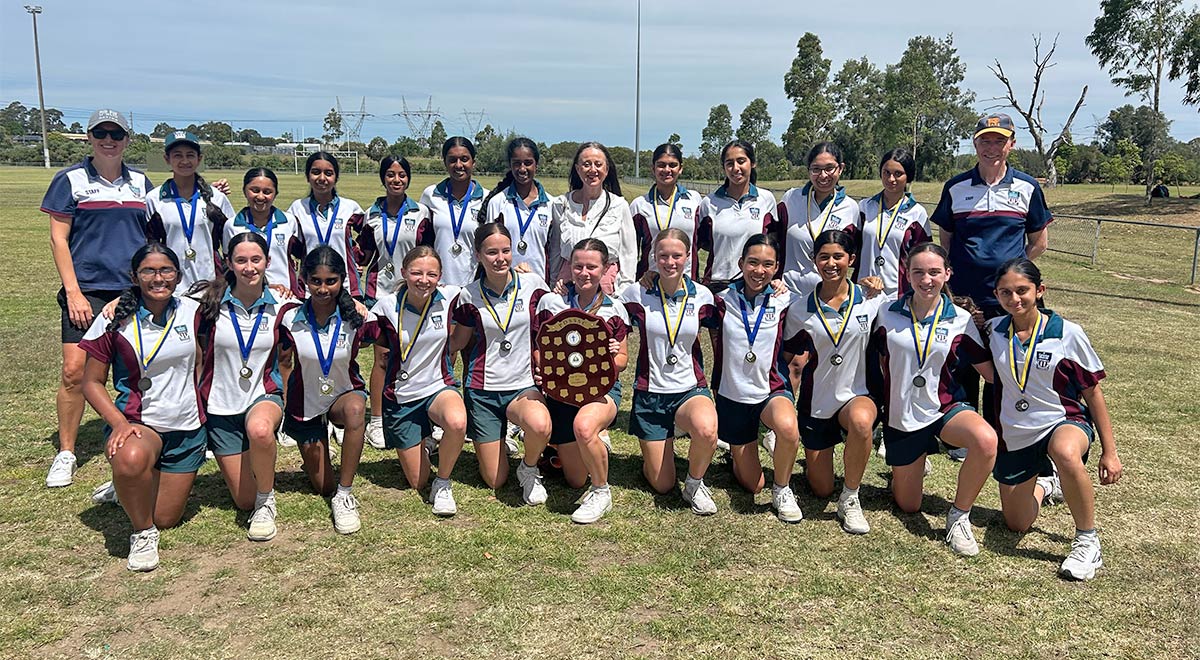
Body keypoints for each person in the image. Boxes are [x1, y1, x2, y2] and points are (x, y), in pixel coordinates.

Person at [987, 258, 1122, 580]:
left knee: (1064, 451)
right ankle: (1048, 485)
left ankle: (1087, 541)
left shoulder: (1067, 333)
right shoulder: (992, 330)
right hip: (1016, 431)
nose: (1014, 299)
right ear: (996, 294)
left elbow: (1093, 393)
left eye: (1022, 291)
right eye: (1006, 293)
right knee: (1016, 523)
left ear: (1040, 290)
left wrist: (1110, 451)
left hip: (1063, 421)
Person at [42, 109, 155, 490]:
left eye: (116, 133)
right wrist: (73, 291)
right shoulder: (70, 180)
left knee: (129, 375)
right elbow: (59, 238)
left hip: (130, 290)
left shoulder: (140, 182)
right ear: (90, 137)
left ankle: (124, 458)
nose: (109, 139)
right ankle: (67, 452)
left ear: (126, 139)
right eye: (101, 133)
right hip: (87, 290)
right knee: (75, 372)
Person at [78, 243, 206, 571]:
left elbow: (238, 288)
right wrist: (119, 424)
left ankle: (126, 488)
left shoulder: (194, 311)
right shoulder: (114, 318)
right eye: (148, 271)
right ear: (134, 276)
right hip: (140, 425)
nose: (158, 278)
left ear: (178, 276)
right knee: (131, 460)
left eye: (166, 270)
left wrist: (274, 286)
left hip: (187, 427)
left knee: (165, 516)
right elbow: (91, 382)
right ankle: (142, 532)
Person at [871, 242, 998, 557]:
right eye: (918, 272)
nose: (926, 279)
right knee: (908, 505)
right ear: (907, 273)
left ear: (947, 274)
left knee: (985, 440)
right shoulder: (885, 311)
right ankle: (909, 467)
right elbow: (867, 359)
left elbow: (991, 373)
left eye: (934, 272)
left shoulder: (961, 319)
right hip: (901, 418)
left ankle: (959, 515)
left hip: (944, 408)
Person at [931, 113, 1051, 442]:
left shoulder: (1027, 186)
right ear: (975, 143)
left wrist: (1012, 273)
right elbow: (947, 238)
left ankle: (1002, 431)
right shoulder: (956, 187)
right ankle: (964, 435)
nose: (992, 147)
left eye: (1000, 140)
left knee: (1006, 365)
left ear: (1011, 144)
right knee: (964, 361)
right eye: (986, 139)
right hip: (964, 296)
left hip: (1010, 299)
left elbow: (1039, 241)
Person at [782, 230, 888, 533]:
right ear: (815, 261)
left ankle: (851, 498)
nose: (831, 263)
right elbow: (787, 357)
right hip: (817, 403)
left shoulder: (871, 300)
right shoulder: (801, 308)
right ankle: (823, 463)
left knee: (861, 422)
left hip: (858, 394)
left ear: (851, 260)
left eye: (838, 256)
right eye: (824, 257)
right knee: (820, 489)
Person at [188, 233, 289, 540]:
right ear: (229, 263)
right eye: (241, 260)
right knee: (243, 499)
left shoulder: (284, 304)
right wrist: (118, 302)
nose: (249, 267)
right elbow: (156, 299)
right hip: (220, 406)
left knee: (260, 430)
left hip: (264, 395)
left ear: (268, 262)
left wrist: (355, 304)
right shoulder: (205, 302)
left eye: (256, 260)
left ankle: (266, 502)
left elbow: (326, 305)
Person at [618, 228, 722, 515]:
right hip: (651, 394)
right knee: (662, 485)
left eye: (677, 255)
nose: (670, 262)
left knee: (707, 429)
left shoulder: (702, 296)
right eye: (663, 255)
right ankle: (658, 450)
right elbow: (602, 310)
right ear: (653, 257)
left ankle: (694, 483)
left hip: (689, 390)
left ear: (688, 257)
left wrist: (777, 286)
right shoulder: (635, 293)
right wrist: (564, 288)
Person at [449, 224, 553, 503]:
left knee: (541, 425)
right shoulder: (468, 295)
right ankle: (498, 441)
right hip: (482, 390)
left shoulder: (533, 286)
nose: (500, 258)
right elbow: (456, 342)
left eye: (506, 251)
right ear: (478, 255)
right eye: (491, 252)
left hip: (522, 386)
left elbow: (560, 323)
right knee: (495, 479)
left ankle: (529, 469)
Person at [276, 246, 375, 534]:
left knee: (357, 410)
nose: (322, 288)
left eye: (331, 281)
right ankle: (327, 470)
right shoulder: (289, 317)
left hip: (343, 396)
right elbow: (283, 362)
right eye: (315, 281)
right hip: (304, 404)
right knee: (322, 486)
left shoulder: (356, 318)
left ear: (342, 279)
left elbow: (390, 331)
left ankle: (345, 494)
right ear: (304, 279)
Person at [533, 238, 630, 523]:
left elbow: (623, 361)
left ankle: (602, 491)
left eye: (591, 266)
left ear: (605, 269)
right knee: (575, 480)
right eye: (578, 266)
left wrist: (612, 356)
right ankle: (589, 443)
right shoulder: (552, 302)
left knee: (584, 426)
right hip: (562, 393)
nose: (584, 272)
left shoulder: (615, 309)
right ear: (570, 268)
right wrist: (545, 371)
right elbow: (539, 349)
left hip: (602, 389)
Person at [711, 234, 803, 523]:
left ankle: (783, 488)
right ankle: (737, 455)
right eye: (752, 263)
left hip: (770, 390)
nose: (759, 271)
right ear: (741, 263)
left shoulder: (785, 300)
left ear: (776, 269)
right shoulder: (720, 299)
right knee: (752, 484)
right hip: (732, 395)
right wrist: (650, 276)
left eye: (767, 265)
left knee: (788, 429)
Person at [370, 247, 469, 516]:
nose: (423, 280)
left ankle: (444, 483)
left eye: (431, 274)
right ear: (404, 273)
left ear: (440, 276)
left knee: (458, 422)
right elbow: (363, 334)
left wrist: (521, 270)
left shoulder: (450, 297)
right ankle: (424, 441)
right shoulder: (386, 306)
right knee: (416, 481)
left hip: (438, 387)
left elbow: (489, 286)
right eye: (416, 273)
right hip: (401, 398)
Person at [359, 156, 433, 450]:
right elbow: (362, 255)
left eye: (402, 175)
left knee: (415, 355)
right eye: (390, 175)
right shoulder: (370, 215)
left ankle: (423, 419)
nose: (396, 180)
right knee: (382, 357)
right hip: (380, 295)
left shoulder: (420, 212)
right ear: (383, 178)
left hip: (414, 293)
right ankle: (376, 420)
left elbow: (427, 251)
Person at [145, 131, 235, 289]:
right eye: (178, 155)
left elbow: (232, 243)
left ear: (199, 159)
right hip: (169, 286)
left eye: (190, 155)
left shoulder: (217, 198)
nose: (184, 160)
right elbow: (149, 244)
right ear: (167, 159)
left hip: (210, 285)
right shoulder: (154, 199)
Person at [548, 142, 637, 293]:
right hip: (567, 283)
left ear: (606, 169)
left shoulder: (619, 205)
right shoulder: (561, 204)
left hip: (606, 285)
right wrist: (554, 281)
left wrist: (624, 290)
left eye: (598, 164)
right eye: (586, 164)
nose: (593, 170)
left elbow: (629, 253)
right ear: (577, 169)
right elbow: (556, 248)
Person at [776, 141, 860, 296]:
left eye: (829, 168)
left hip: (829, 296)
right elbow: (775, 242)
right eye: (816, 169)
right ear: (808, 170)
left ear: (840, 168)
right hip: (788, 293)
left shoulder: (851, 207)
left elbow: (852, 256)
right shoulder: (791, 198)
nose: (823, 175)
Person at [697, 140, 778, 293]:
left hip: (755, 284)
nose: (735, 168)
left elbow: (775, 243)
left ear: (752, 163)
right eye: (729, 163)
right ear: (724, 168)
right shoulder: (709, 202)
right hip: (717, 285)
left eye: (741, 161)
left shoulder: (766, 199)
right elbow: (698, 244)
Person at [287, 151, 366, 297]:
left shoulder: (350, 207)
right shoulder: (297, 208)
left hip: (346, 287)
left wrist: (356, 256)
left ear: (336, 178)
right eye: (316, 172)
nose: (322, 178)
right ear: (307, 176)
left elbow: (369, 235)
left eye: (328, 173)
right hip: (309, 288)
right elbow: (290, 246)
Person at [857, 148, 931, 299]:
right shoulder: (865, 207)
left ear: (908, 177)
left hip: (898, 295)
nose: (891, 179)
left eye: (898, 174)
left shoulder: (917, 213)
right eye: (886, 172)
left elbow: (924, 258)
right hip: (863, 289)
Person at [421, 137, 490, 287]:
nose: (459, 165)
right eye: (452, 160)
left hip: (475, 286)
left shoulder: (487, 198)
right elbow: (423, 240)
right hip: (438, 285)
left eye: (464, 159)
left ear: (473, 162)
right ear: (445, 162)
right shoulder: (431, 195)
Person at [482, 138, 554, 281]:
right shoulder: (497, 202)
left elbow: (555, 252)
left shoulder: (551, 204)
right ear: (510, 165)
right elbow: (488, 246)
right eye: (517, 163)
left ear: (536, 165)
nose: (522, 169)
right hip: (505, 283)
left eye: (528, 163)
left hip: (539, 285)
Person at [629, 143, 704, 279]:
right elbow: (629, 251)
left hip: (686, 281)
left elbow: (701, 240)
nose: (667, 170)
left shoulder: (694, 200)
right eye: (661, 165)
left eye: (673, 165)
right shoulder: (639, 205)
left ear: (680, 168)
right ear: (653, 168)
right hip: (651, 282)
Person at [224, 168, 302, 297]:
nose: (260, 196)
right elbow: (230, 264)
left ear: (276, 193)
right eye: (255, 190)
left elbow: (299, 256)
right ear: (244, 191)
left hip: (285, 294)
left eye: (267, 192)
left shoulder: (289, 221)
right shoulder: (232, 225)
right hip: (247, 294)